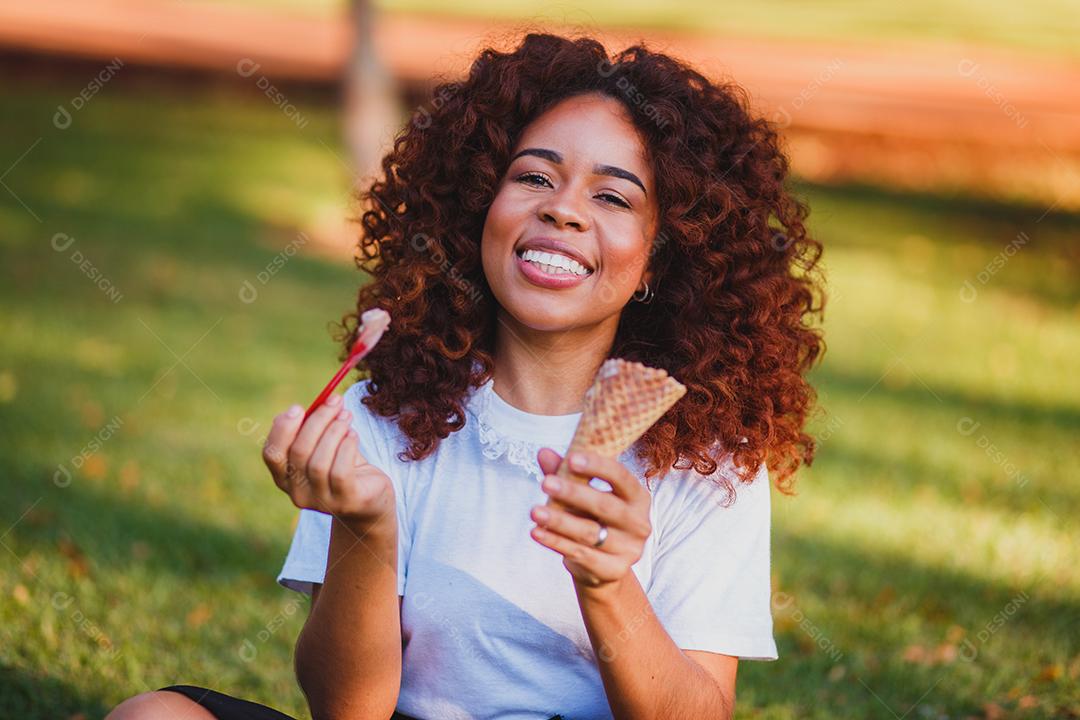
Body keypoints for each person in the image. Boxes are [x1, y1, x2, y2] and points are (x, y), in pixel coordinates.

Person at [107, 30, 825, 720]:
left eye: (613, 197)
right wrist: (367, 528)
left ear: (658, 260)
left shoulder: (706, 457)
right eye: (534, 176)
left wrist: (606, 584)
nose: (562, 209)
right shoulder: (384, 416)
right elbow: (347, 711)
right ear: (478, 207)